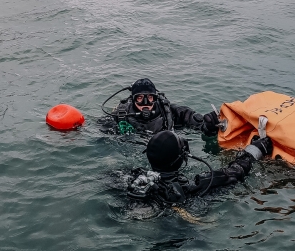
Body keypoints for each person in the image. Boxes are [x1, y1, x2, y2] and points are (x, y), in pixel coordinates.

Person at [126, 130, 273, 204]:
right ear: (179, 158)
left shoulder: (135, 178)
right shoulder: (193, 187)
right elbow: (234, 173)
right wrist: (254, 151)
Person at [101, 78, 223, 135]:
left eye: (150, 98)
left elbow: (195, 122)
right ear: (132, 100)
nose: (145, 103)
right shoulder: (122, 114)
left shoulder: (169, 112)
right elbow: (100, 131)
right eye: (139, 98)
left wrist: (209, 125)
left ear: (156, 98)